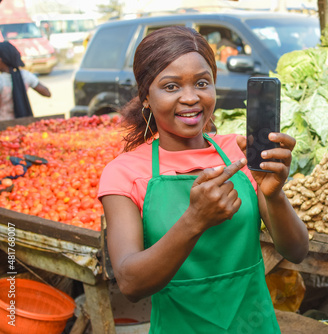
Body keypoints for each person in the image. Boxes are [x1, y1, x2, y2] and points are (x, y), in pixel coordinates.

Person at [98, 26, 309, 333]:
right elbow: (130, 283)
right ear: (145, 96)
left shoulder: (238, 152)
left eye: (202, 83)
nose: (190, 98)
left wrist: (275, 196)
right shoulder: (124, 173)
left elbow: (297, 251)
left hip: (255, 325)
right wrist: (194, 220)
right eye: (171, 87)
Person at [0, 41, 51, 120]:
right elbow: (47, 93)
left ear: (1, 59)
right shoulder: (25, 76)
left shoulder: (1, 80)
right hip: (24, 122)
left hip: (3, 123)